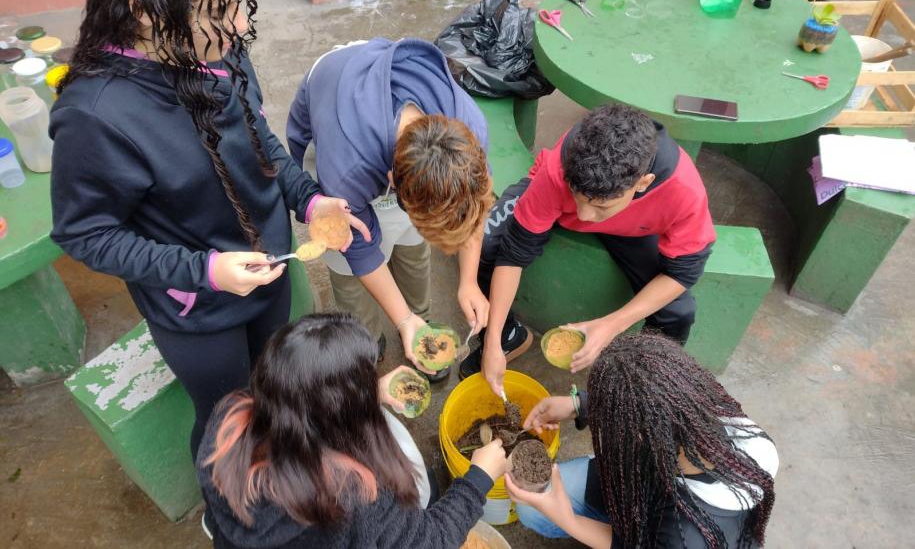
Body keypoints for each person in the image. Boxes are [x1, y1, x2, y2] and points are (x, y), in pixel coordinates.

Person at [49, 0, 368, 460]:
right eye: (219, 14)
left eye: (240, 5)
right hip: (195, 306)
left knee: (273, 384)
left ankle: (274, 463)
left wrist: (309, 199)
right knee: (227, 422)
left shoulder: (216, 47)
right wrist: (207, 271)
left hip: (269, 268)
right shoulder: (96, 116)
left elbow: (259, 142)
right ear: (143, 10)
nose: (239, 26)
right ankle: (225, 507)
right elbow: (87, 235)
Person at [461, 103, 716, 396]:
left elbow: (683, 273)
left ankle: (642, 387)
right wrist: (492, 342)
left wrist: (612, 324)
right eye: (577, 197)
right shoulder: (560, 169)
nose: (582, 216)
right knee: (489, 244)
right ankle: (508, 337)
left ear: (643, 183)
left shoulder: (683, 190)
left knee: (678, 313)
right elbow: (514, 254)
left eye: (599, 205)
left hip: (632, 229)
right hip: (552, 200)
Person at [198, 313, 508, 548]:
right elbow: (432, 540)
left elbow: (301, 405)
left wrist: (365, 393)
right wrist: (478, 479)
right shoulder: (354, 497)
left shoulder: (225, 424)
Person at [287, 38, 494, 382]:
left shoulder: (470, 126)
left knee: (412, 247)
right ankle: (367, 335)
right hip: (332, 105)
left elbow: (474, 204)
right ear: (391, 181)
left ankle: (419, 320)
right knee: (348, 265)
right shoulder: (347, 167)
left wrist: (469, 281)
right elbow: (359, 246)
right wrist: (401, 318)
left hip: (385, 95)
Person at [505, 333, 778, 548]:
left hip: (654, 528)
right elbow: (652, 403)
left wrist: (568, 521)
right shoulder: (709, 416)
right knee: (534, 507)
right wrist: (579, 405)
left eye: (613, 423)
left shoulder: (684, 536)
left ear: (641, 437)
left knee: (534, 511)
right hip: (644, 487)